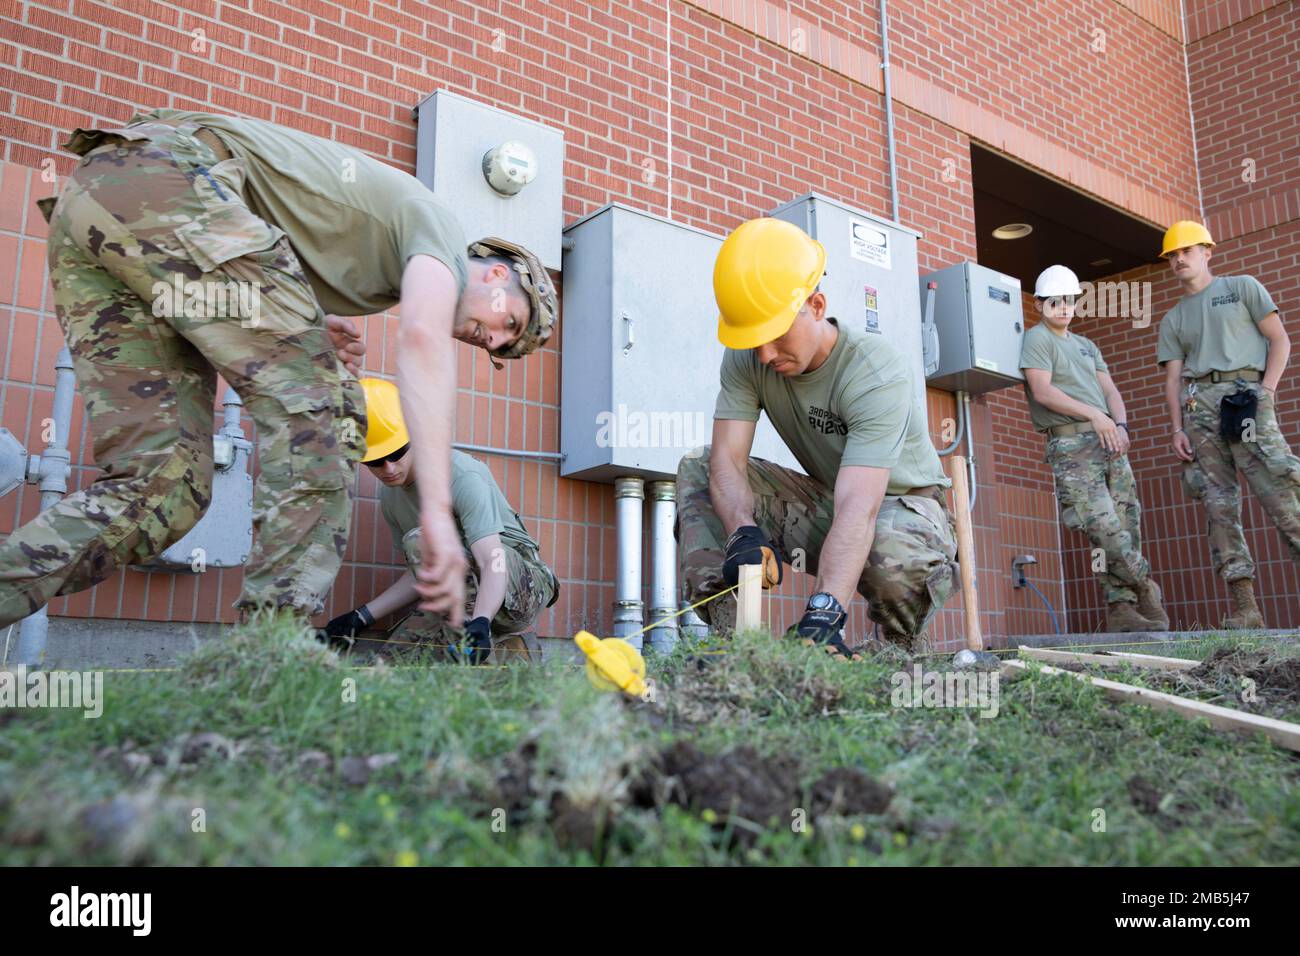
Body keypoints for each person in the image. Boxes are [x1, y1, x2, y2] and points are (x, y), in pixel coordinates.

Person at [0, 110, 555, 629]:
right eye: (510, 323)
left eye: (503, 348)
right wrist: (435, 510)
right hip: (168, 178)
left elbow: (253, 268)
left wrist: (315, 321)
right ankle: (272, 650)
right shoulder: (445, 239)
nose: (494, 339)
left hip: (99, 206)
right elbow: (420, 338)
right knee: (330, 414)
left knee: (162, 490)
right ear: (497, 275)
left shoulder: (378, 265)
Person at [676, 217, 958, 657]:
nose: (765, 354)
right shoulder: (748, 358)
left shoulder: (875, 372)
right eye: (754, 340)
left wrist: (823, 613)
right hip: (832, 501)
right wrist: (743, 531)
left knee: (886, 544)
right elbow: (727, 461)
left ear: (817, 304)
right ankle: (731, 647)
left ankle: (899, 649)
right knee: (698, 467)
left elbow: (859, 507)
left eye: (775, 334)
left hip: (907, 511)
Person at [320, 379, 558, 663]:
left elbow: (491, 560)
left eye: (396, 454)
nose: (389, 468)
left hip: (519, 586)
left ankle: (484, 643)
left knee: (422, 539)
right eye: (376, 461)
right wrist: (360, 617)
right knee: (394, 662)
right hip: (462, 595)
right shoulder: (391, 498)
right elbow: (419, 572)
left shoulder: (461, 475)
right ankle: (504, 651)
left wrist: (480, 621)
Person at [1157, 220, 1298, 629]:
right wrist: (1176, 428)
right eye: (1172, 255)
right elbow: (1172, 379)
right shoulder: (1174, 318)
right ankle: (1245, 608)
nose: (1179, 259)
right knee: (1219, 505)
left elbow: (1280, 340)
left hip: (1247, 396)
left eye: (1186, 251)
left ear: (1207, 251)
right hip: (1201, 407)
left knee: (1281, 490)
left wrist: (1266, 391)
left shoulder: (1242, 287)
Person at [1019, 264, 1167, 631]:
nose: (1063, 307)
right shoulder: (1037, 339)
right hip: (1071, 442)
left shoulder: (1087, 345)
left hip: (1108, 439)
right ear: (1040, 304)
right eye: (1055, 301)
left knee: (1125, 522)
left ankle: (1121, 608)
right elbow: (1043, 391)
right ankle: (1143, 582)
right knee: (1099, 525)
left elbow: (1111, 391)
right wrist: (1094, 416)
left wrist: (1119, 424)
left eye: (1069, 300)